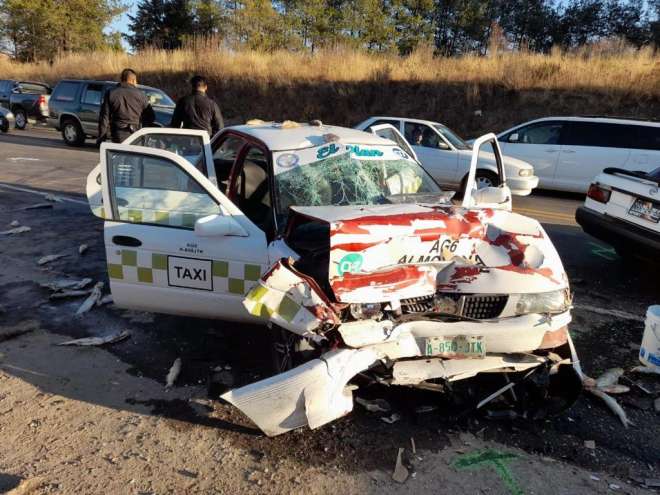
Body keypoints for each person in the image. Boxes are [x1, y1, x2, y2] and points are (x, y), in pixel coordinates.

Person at [97, 68, 155, 144]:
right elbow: (151, 117)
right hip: (136, 135)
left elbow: (104, 117)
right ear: (133, 80)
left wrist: (101, 138)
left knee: (120, 155)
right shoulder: (141, 95)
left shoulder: (111, 93)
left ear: (121, 79)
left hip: (118, 134)